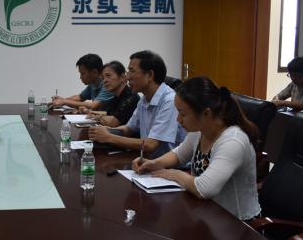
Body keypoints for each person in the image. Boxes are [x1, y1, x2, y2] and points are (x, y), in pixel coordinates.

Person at [132, 77, 261, 220]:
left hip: (237, 223)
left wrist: (175, 174)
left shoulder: (233, 141)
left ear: (206, 113)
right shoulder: (200, 130)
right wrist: (154, 163)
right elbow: (178, 154)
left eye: (183, 114)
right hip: (207, 213)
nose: (178, 119)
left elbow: (204, 189)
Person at [88, 50, 186, 158]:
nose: (128, 77)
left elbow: (151, 145)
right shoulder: (144, 100)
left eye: (132, 71)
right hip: (149, 161)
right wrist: (107, 131)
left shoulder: (169, 101)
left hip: (170, 165)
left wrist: (109, 137)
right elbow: (128, 129)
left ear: (149, 75)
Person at [84, 61, 140, 127]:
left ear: (122, 77)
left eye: (108, 76)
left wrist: (98, 117)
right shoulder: (116, 96)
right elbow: (108, 114)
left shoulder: (130, 96)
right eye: (103, 78)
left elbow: (112, 122)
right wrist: (91, 113)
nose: (105, 81)